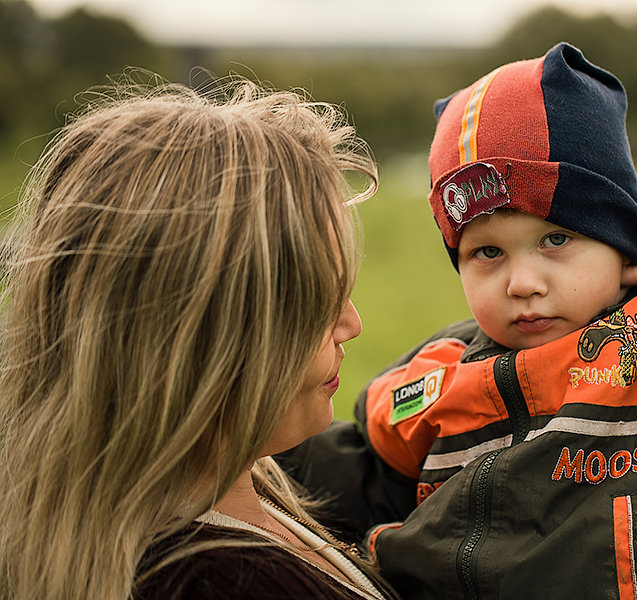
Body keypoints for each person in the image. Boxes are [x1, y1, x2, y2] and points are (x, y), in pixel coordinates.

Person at [280, 42, 637, 599]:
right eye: (486, 252)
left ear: (622, 236)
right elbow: (333, 479)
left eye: (557, 237)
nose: (523, 282)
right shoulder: (437, 375)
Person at [0, 75, 398, 600]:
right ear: (206, 336)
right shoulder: (216, 585)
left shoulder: (244, 478)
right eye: (317, 302)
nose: (352, 324)